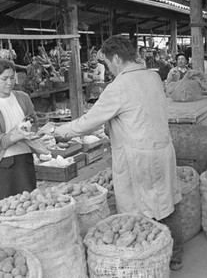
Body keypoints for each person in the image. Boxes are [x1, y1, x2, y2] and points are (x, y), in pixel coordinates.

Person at [49, 36, 184, 270]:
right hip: (162, 149)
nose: (109, 69)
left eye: (109, 63)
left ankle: (147, 260)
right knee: (167, 202)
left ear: (118, 59)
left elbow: (89, 121)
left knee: (141, 211)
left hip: (139, 156)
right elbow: (138, 111)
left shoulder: (119, 86)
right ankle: (176, 253)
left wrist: (61, 131)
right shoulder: (152, 76)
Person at [0, 59, 38, 206]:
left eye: (12, 77)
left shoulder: (23, 97)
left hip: (25, 160)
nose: (9, 82)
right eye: (4, 79)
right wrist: (19, 135)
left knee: (28, 206)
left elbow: (33, 120)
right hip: (1, 165)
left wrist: (32, 130)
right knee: (3, 209)